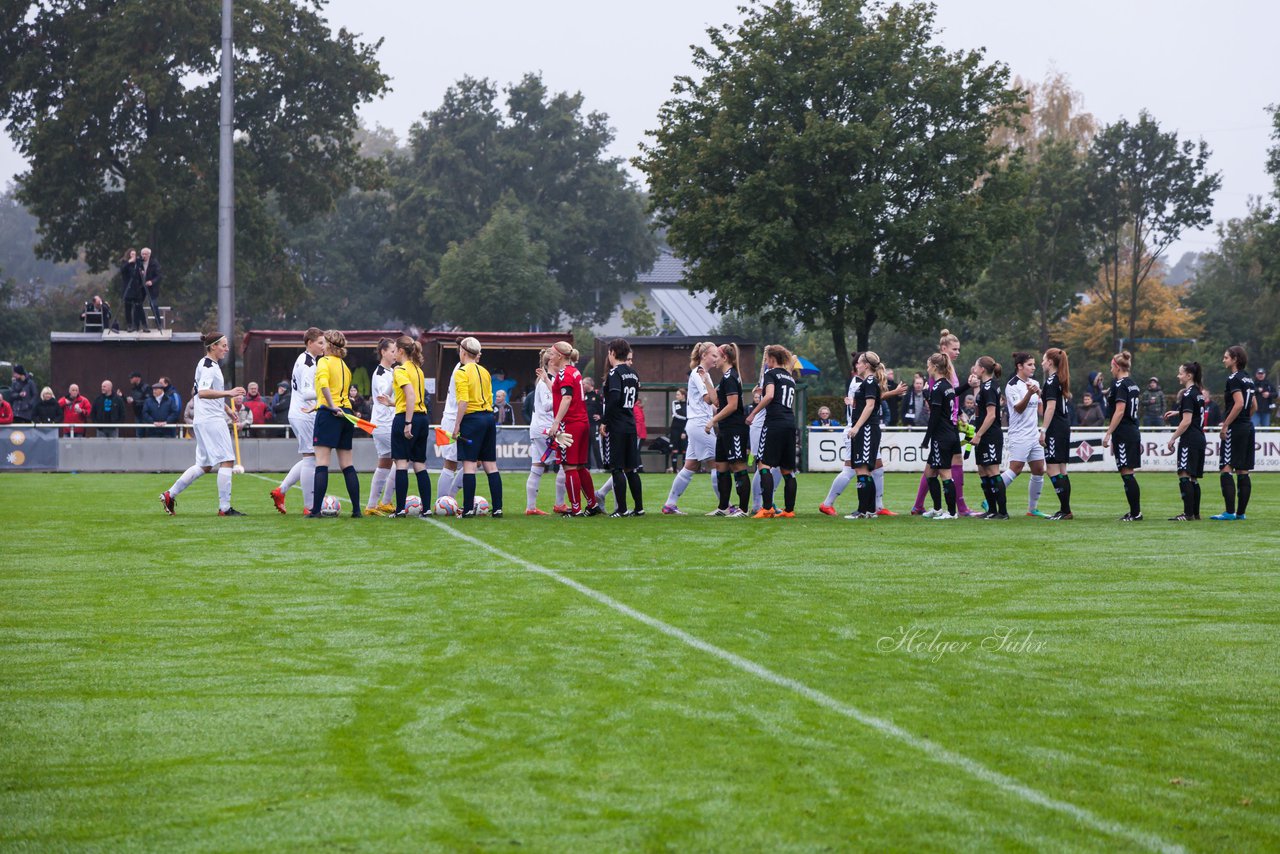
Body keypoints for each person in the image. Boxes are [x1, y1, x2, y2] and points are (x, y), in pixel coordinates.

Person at [159, 332, 246, 516]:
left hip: (205, 419)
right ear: (213, 346)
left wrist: (227, 409)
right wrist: (229, 393)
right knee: (227, 460)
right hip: (211, 421)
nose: (227, 349)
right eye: (224, 345)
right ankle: (225, 509)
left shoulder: (208, 364)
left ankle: (169, 494)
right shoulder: (208, 365)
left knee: (204, 465)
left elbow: (206, 393)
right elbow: (204, 393)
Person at [911, 330, 975, 516]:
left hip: (945, 427)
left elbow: (947, 399)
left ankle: (951, 509)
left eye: (958, 349)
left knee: (941, 468)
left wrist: (960, 412)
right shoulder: (939, 376)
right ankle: (944, 507)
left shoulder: (945, 376)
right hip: (947, 426)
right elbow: (938, 402)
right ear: (943, 349)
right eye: (954, 349)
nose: (958, 352)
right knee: (934, 468)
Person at [307, 329, 363, 519]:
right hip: (346, 414)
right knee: (347, 464)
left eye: (323, 343)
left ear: (329, 345)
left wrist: (331, 407)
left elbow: (324, 385)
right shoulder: (345, 367)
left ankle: (315, 511)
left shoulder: (323, 361)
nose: (321, 346)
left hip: (330, 413)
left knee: (321, 462)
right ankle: (356, 510)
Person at [662, 342, 721, 515]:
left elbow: (712, 405)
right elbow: (709, 400)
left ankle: (669, 505)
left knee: (690, 466)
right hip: (701, 425)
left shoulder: (706, 375)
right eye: (714, 355)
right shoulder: (699, 373)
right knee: (716, 464)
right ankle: (724, 506)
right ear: (704, 356)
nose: (716, 359)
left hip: (696, 423)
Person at [449, 336, 504, 517]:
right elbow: (489, 397)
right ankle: (497, 508)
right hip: (488, 417)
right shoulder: (485, 371)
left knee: (469, 466)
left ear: (463, 352)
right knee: (491, 466)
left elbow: (463, 401)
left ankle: (468, 510)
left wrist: (456, 425)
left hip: (472, 420)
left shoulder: (462, 372)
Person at [271, 329, 323, 515]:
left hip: (301, 413)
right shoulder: (308, 363)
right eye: (320, 343)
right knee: (311, 458)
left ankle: (281, 490)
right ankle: (309, 506)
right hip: (304, 413)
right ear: (310, 343)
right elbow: (308, 392)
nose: (323, 347)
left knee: (310, 457)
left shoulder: (306, 359)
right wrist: (329, 392)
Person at [546, 340, 598, 516]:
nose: (549, 356)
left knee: (569, 467)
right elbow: (560, 392)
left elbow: (566, 398)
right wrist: (546, 380)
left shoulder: (563, 373)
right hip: (582, 422)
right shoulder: (574, 371)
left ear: (560, 356)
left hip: (569, 424)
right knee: (580, 466)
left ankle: (575, 508)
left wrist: (555, 423)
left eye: (552, 354)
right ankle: (592, 504)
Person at [745, 346, 798, 518]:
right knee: (787, 470)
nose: (766, 362)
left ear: (772, 359)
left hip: (774, 422)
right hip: (790, 422)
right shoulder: (790, 377)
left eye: (767, 359)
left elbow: (769, 396)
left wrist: (753, 413)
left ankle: (766, 508)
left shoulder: (771, 373)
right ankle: (789, 511)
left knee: (763, 465)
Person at [594, 338, 644, 517]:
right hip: (630, 424)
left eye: (609, 352)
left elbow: (614, 398)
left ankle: (621, 509)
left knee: (616, 468)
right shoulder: (633, 373)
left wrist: (605, 421)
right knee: (631, 468)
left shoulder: (615, 373)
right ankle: (639, 508)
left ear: (613, 353)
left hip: (617, 425)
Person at [837, 350, 886, 519]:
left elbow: (870, 406)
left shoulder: (870, 381)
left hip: (866, 430)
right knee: (862, 469)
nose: (856, 365)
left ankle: (863, 510)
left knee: (862, 469)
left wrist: (857, 427)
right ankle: (870, 510)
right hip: (865, 429)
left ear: (866, 365)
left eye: (859, 363)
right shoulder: (867, 382)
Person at [1000, 352, 1047, 517]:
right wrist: (1029, 393)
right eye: (1030, 365)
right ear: (1020, 366)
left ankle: (1032, 509)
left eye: (1034, 364)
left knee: (1039, 469)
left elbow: (1040, 409)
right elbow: (1018, 409)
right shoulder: (1012, 385)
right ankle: (991, 498)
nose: (1033, 367)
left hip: (1033, 434)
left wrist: (1044, 398)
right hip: (1019, 434)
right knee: (1016, 469)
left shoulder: (1034, 382)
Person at [1212, 345, 1257, 521]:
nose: (1223, 360)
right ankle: (1241, 513)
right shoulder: (1248, 379)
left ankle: (1229, 512)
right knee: (1243, 470)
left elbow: (1238, 403)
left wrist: (1226, 426)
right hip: (1247, 426)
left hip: (1235, 428)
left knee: (1226, 467)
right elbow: (1253, 405)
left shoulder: (1233, 378)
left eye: (1226, 357)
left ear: (1235, 359)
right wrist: (1245, 419)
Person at [707, 342, 751, 517]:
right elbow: (716, 402)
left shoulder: (731, 376)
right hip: (725, 429)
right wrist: (706, 380)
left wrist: (712, 420)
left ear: (725, 357)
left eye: (716, 357)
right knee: (721, 466)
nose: (714, 360)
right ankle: (723, 507)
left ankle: (744, 509)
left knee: (738, 465)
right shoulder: (725, 377)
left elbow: (732, 406)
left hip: (734, 429)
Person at [390, 335, 432, 517]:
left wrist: (407, 423)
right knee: (420, 464)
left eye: (394, 351)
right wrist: (392, 403)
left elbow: (410, 396)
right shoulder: (418, 370)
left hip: (407, 418)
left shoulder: (400, 370)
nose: (393, 354)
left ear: (400, 351)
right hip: (423, 418)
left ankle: (400, 509)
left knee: (401, 463)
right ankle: (427, 508)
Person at [1102, 351, 1144, 521]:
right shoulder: (1132, 384)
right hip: (1132, 430)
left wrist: (1108, 433)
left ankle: (1136, 513)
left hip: (1124, 432)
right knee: (1127, 472)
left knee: (1127, 472)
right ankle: (1134, 512)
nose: (1110, 370)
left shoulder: (1120, 385)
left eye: (1111, 366)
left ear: (1117, 366)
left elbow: (1120, 411)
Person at [1164, 361, 1208, 521]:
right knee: (1193, 478)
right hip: (1200, 438)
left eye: (1180, 373)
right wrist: (1178, 412)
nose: (1178, 376)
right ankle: (1195, 514)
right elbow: (1195, 413)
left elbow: (1187, 421)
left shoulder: (1188, 394)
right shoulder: (1198, 393)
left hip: (1189, 439)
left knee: (1184, 474)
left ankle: (1187, 514)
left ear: (1189, 375)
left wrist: (1173, 438)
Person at [525, 348, 565, 515]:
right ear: (550, 362)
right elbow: (548, 405)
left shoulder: (548, 380)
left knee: (537, 467)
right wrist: (566, 400)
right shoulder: (546, 381)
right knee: (566, 464)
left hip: (539, 428)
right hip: (547, 429)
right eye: (558, 360)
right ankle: (559, 504)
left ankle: (531, 507)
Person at [922, 353, 960, 520]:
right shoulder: (948, 385)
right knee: (930, 473)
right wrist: (927, 396)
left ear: (935, 367)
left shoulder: (938, 387)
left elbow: (935, 416)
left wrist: (926, 439)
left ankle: (951, 513)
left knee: (945, 473)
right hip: (949, 433)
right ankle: (937, 509)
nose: (927, 367)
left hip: (942, 436)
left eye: (929, 364)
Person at [364, 338, 398, 516]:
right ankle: (385, 501)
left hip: (384, 423)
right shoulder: (379, 373)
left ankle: (373, 504)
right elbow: (384, 396)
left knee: (385, 461)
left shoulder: (390, 371)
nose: (395, 354)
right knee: (402, 460)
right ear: (383, 352)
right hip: (384, 424)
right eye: (392, 351)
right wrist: (395, 379)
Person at [971, 357, 1007, 520]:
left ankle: (1003, 512)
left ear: (982, 369)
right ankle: (991, 510)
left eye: (976, 366)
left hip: (990, 435)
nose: (974, 368)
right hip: (983, 435)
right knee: (983, 470)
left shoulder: (990, 387)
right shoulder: (984, 386)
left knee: (993, 471)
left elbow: (992, 415)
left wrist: (978, 435)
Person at [1041, 348, 1074, 520]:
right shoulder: (1059, 380)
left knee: (1052, 468)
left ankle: (1065, 509)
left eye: (1043, 359)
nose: (1042, 363)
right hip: (1063, 426)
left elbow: (1051, 407)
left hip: (1055, 428)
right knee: (1061, 469)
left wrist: (1043, 430)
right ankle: (1065, 510)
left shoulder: (1052, 381)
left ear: (1051, 362)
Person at [136, 247, 163, 331]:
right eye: (142, 254)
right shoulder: (139, 263)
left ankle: (159, 324)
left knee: (153, 304)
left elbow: (159, 276)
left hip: (151, 287)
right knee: (138, 304)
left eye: (145, 254)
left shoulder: (154, 263)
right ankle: (140, 325)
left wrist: (152, 281)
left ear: (149, 255)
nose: (144, 256)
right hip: (141, 287)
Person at [119, 250, 144, 332]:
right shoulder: (125, 262)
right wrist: (129, 262)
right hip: (128, 288)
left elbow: (141, 270)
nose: (133, 256)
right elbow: (122, 270)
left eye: (135, 254)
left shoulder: (138, 263)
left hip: (136, 288)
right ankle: (129, 325)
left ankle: (138, 325)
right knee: (128, 308)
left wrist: (142, 272)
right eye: (132, 254)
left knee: (138, 307)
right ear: (128, 255)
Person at [583, 376, 605, 471]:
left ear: (589, 384)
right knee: (586, 446)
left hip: (594, 425)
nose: (582, 385)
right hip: (585, 425)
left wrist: (601, 417)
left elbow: (604, 408)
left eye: (584, 384)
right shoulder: (583, 396)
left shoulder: (597, 395)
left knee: (596, 446)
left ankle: (601, 467)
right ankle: (587, 467)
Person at [668, 387, 688, 471]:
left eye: (678, 395)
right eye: (676, 394)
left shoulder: (688, 404)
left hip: (684, 429)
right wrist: (686, 417)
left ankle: (684, 469)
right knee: (674, 448)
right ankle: (674, 469)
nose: (676, 396)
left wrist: (684, 431)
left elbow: (689, 416)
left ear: (683, 395)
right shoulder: (674, 403)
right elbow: (675, 414)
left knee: (684, 449)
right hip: (675, 429)